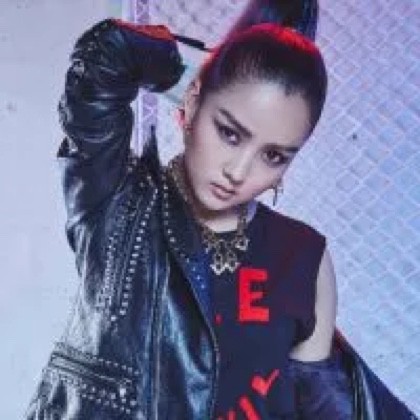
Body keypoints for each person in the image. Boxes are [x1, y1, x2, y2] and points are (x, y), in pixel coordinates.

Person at [26, 0, 417, 419]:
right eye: (230, 132)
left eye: (273, 155)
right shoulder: (116, 205)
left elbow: (321, 408)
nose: (239, 171)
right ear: (193, 102)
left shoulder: (304, 256)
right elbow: (109, 52)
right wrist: (217, 71)